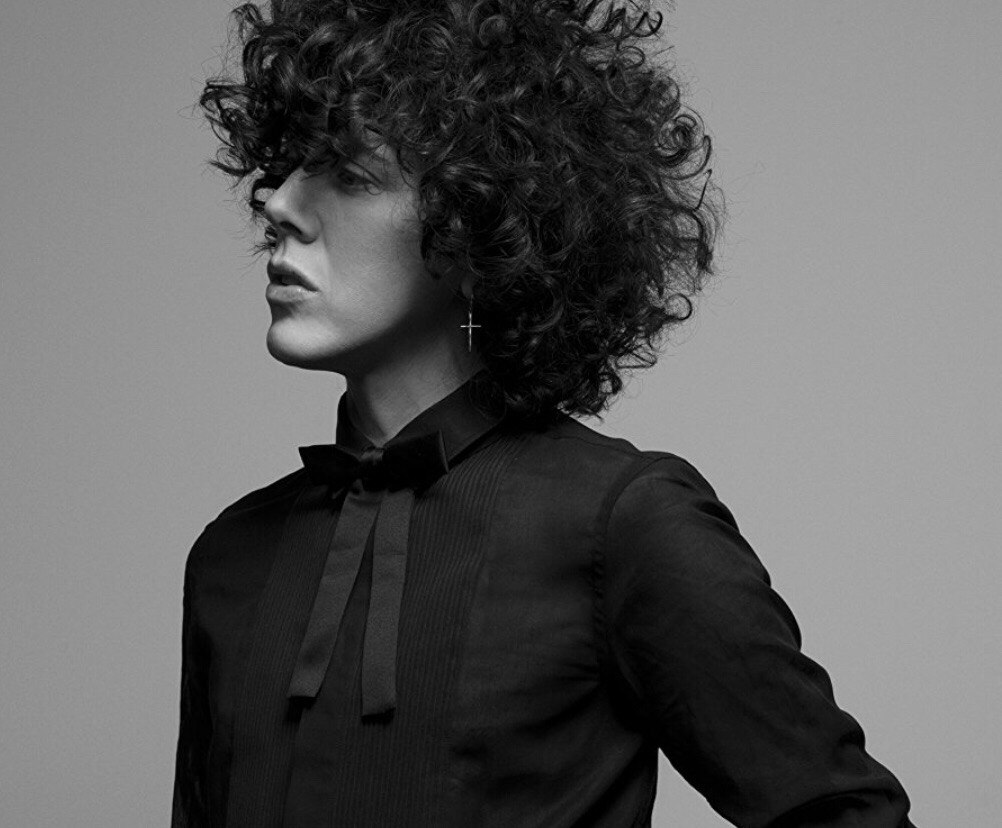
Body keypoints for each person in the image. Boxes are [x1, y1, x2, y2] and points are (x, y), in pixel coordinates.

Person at [172, 0, 916, 825]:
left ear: (475, 219)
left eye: (350, 174)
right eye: (287, 166)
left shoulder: (621, 524)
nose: (279, 202)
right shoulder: (232, 555)